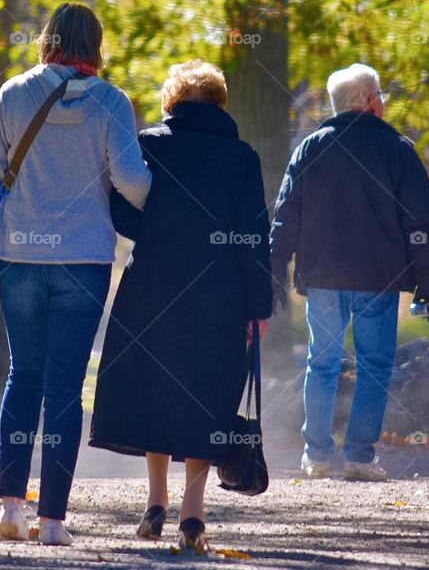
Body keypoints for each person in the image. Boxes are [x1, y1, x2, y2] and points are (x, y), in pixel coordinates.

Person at [0, 2, 151, 546]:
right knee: (66, 386)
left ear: (47, 41)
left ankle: (9, 507)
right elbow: (132, 182)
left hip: (19, 256)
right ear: (95, 46)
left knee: (23, 375)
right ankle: (52, 520)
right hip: (83, 261)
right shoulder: (112, 102)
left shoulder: (14, 93)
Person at [89, 60, 272, 553]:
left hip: (153, 286)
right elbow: (254, 237)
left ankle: (155, 500)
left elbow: (124, 211)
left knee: (156, 388)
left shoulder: (149, 145)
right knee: (204, 395)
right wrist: (259, 307)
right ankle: (193, 512)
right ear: (219, 104)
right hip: (221, 295)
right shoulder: (242, 157)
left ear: (171, 103)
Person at [270, 63, 429, 481]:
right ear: (369, 101)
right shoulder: (397, 150)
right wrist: (427, 281)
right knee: (375, 365)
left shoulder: (311, 148)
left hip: (324, 275)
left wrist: (275, 267)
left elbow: (286, 216)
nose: (382, 101)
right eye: (379, 94)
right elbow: (420, 222)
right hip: (377, 277)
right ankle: (361, 456)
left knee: (321, 363)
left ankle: (318, 455)